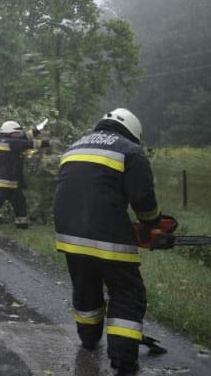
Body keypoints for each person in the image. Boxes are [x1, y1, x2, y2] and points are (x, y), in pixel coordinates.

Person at [54, 108, 164, 375]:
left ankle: (89, 339)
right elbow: (143, 200)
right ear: (134, 132)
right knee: (126, 292)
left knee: (85, 286)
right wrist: (152, 225)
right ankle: (123, 360)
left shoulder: (73, 148)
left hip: (68, 235)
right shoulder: (131, 151)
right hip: (109, 237)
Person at [0, 119, 50, 229]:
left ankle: (22, 226)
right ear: (10, 133)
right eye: (16, 132)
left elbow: (25, 136)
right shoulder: (9, 142)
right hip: (1, 181)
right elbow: (29, 143)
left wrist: (39, 128)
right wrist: (49, 143)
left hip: (11, 182)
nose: (19, 134)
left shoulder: (12, 141)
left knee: (20, 202)